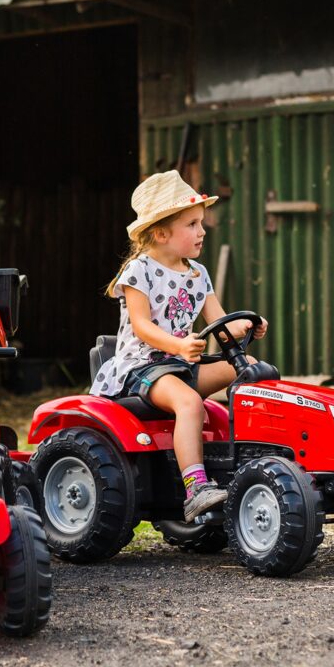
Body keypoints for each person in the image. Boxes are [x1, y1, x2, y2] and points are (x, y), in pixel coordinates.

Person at [91, 170, 267, 522]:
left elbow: (220, 323)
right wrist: (178, 344)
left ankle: (251, 461)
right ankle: (196, 488)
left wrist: (248, 325)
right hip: (141, 367)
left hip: (181, 365)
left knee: (250, 369)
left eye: (201, 222)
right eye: (191, 224)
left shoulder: (198, 274)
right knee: (189, 402)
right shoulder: (138, 271)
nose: (202, 231)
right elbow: (141, 326)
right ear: (161, 232)